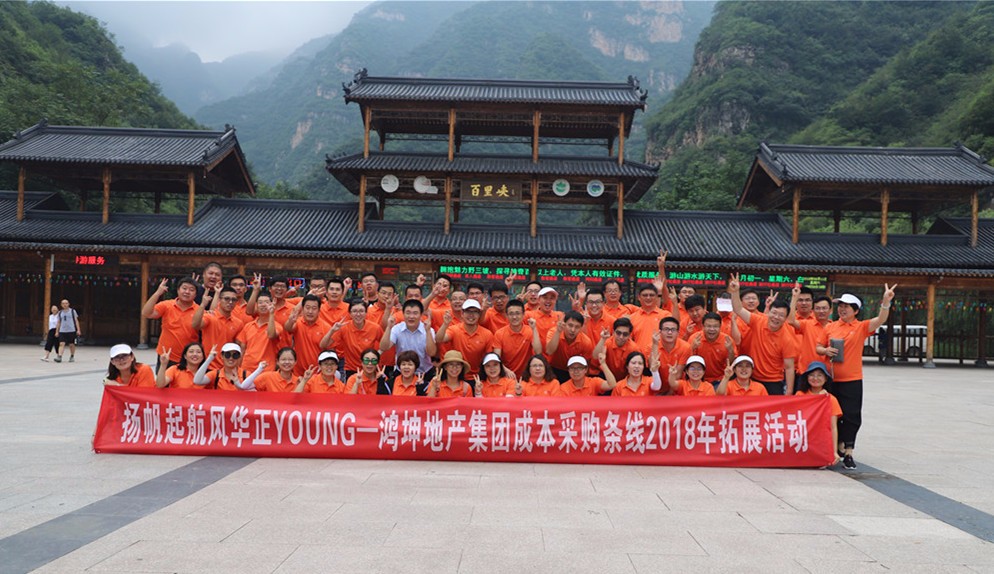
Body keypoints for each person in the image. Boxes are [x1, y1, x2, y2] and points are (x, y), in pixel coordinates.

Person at [815, 285, 896, 470]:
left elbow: (881, 319)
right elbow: (818, 346)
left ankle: (849, 451)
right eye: (840, 306)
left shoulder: (861, 327)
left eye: (847, 306)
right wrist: (825, 350)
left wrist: (886, 301)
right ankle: (836, 447)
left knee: (852, 416)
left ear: (856, 310)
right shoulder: (830, 327)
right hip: (831, 379)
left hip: (852, 379)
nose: (842, 309)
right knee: (833, 416)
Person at [729, 273, 797, 395]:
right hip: (753, 378)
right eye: (774, 313)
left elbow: (789, 367)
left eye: (781, 315)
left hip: (774, 381)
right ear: (768, 312)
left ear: (786, 318)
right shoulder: (758, 321)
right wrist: (735, 292)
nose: (776, 317)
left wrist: (789, 391)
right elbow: (739, 309)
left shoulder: (787, 338)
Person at [142, 277, 199, 368]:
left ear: (196, 294)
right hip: (165, 356)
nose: (187, 292)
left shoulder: (199, 311)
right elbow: (146, 313)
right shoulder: (167, 305)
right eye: (184, 288)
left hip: (188, 358)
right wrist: (157, 293)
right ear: (178, 290)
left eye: (191, 290)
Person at [795, 361, 842, 466]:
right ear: (807, 378)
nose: (815, 378)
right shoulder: (800, 395)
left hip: (820, 439)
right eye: (812, 375)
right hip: (802, 438)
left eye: (820, 375)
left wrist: (834, 451)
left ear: (826, 379)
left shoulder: (831, 399)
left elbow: (833, 427)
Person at [322, 298, 384, 378]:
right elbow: (324, 345)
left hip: (370, 368)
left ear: (366, 313)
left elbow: (386, 345)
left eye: (361, 311)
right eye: (354, 311)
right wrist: (332, 330)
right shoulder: (344, 328)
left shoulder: (375, 328)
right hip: (351, 369)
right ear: (350, 314)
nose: (358, 314)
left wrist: (377, 354)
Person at [435, 299, 495, 379]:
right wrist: (445, 324)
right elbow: (439, 339)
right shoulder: (454, 329)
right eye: (468, 312)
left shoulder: (487, 334)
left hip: (477, 376)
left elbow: (489, 358)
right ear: (462, 314)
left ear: (479, 314)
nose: (471, 315)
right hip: (455, 375)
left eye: (475, 312)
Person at [192, 286, 245, 370]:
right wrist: (202, 305)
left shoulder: (238, 323)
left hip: (226, 367)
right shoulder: (210, 316)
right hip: (207, 365)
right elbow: (195, 325)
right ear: (219, 300)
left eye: (234, 300)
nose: (230, 302)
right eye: (226, 299)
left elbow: (239, 346)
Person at [381, 299, 436, 376]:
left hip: (424, 372)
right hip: (402, 371)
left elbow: (432, 353)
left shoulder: (428, 329)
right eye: (408, 313)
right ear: (403, 314)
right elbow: (384, 347)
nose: (411, 316)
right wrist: (389, 327)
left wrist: (427, 331)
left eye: (415, 313)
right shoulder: (397, 328)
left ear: (421, 315)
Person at [235, 291, 288, 372]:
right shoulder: (248, 326)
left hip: (266, 369)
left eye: (266, 302)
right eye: (260, 302)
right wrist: (238, 369)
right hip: (247, 369)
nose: (263, 305)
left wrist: (271, 314)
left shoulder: (277, 326)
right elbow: (242, 349)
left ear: (272, 304)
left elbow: (271, 335)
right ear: (256, 305)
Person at [284, 294, 331, 376]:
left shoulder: (326, 327)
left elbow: (330, 351)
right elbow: (288, 328)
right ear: (303, 309)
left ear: (319, 310)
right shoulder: (298, 322)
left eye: (314, 308)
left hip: (318, 373)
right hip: (298, 373)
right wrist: (290, 320)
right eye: (307, 308)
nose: (310, 311)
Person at [493, 299, 538, 378]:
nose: (514, 317)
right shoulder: (499, 334)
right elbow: (496, 358)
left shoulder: (530, 331)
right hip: (507, 375)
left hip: (527, 375)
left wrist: (534, 329)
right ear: (506, 315)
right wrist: (506, 371)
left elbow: (538, 351)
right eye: (511, 314)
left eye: (517, 313)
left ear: (523, 315)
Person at [545, 310, 594, 382]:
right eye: (570, 325)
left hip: (574, 371)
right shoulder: (554, 331)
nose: (573, 330)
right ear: (564, 324)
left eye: (577, 327)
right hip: (553, 368)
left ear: (581, 328)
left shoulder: (586, 342)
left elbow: (586, 365)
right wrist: (558, 332)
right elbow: (549, 351)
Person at [688, 312, 736, 384]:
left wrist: (730, 351)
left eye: (715, 326)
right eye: (708, 326)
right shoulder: (694, 338)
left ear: (720, 327)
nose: (712, 329)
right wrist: (692, 348)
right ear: (703, 326)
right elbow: (687, 362)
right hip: (698, 379)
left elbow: (731, 364)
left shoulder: (727, 340)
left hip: (720, 379)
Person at [194, 343, 265, 391]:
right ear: (222, 356)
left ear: (239, 357)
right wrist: (210, 358)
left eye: (235, 355)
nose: (231, 358)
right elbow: (197, 381)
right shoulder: (215, 374)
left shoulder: (246, 375)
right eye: (227, 355)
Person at [591, 318, 643, 382]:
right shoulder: (607, 343)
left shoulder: (634, 348)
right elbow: (595, 357)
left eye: (625, 334)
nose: (621, 337)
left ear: (629, 335)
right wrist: (603, 339)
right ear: (613, 332)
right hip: (607, 377)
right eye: (618, 333)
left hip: (626, 379)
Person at [251, 347, 315, 393]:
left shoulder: (299, 381)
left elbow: (296, 398)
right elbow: (248, 387)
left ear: (295, 362)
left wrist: (304, 380)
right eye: (283, 359)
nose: (287, 362)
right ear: (277, 362)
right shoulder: (266, 377)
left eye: (290, 360)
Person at [54, 298, 82, 363]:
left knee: (71, 344)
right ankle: (59, 356)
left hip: (71, 330)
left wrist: (78, 330)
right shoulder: (60, 312)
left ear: (68, 304)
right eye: (63, 303)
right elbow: (59, 322)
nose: (65, 305)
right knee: (61, 343)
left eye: (66, 303)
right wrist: (57, 331)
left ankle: (72, 356)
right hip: (62, 331)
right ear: (61, 305)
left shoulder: (72, 311)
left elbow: (76, 321)